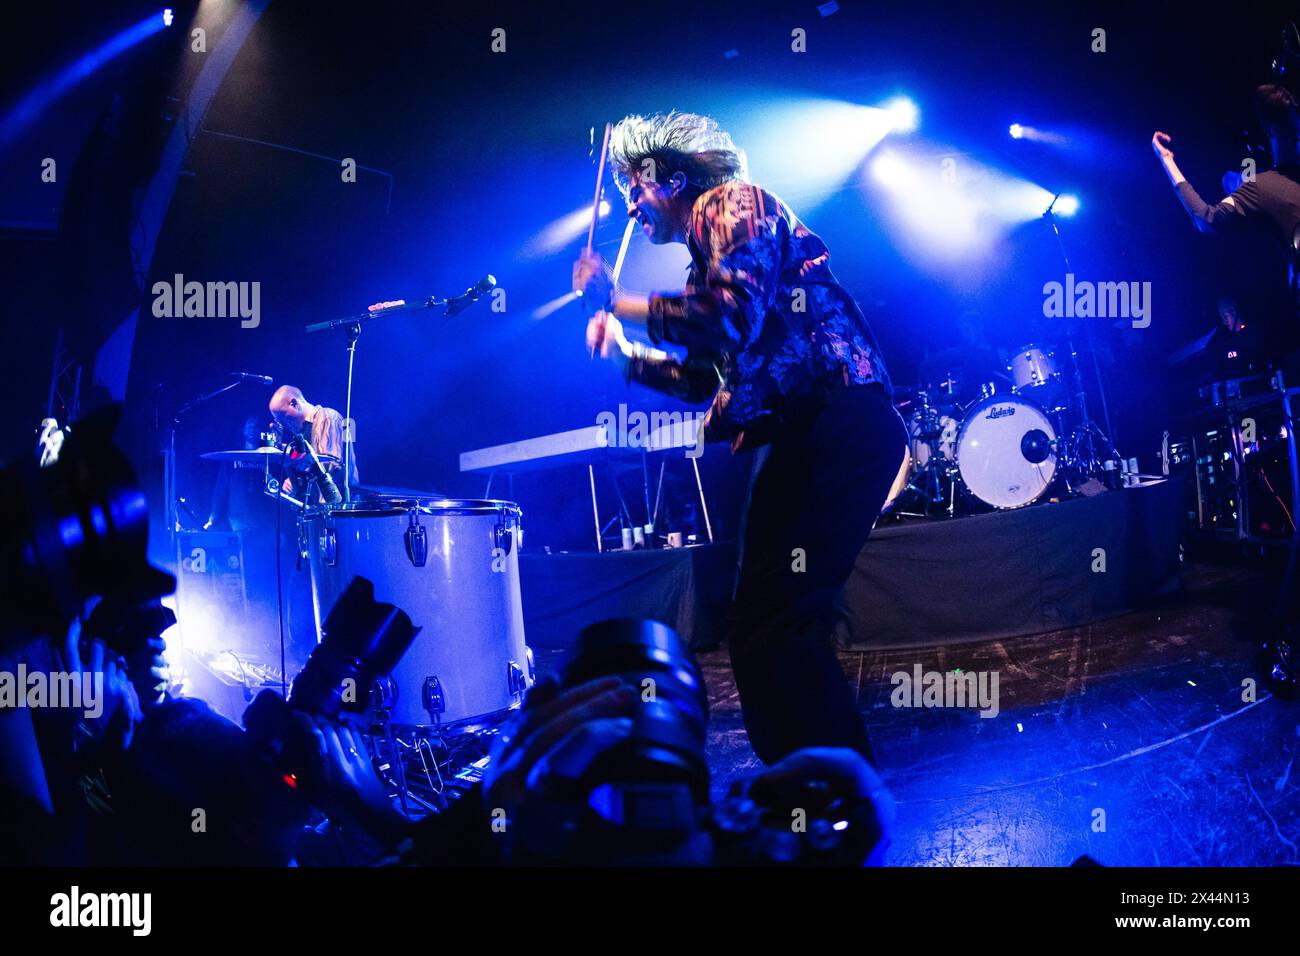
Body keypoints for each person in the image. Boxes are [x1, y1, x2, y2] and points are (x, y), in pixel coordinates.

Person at [574, 112, 907, 765]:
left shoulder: (734, 204)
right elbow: (703, 379)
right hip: (802, 432)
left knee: (783, 623)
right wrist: (622, 356)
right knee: (760, 629)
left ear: (669, 178)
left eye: (634, 194)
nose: (631, 212)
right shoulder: (703, 265)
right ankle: (803, 790)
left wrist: (620, 302)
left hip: (833, 420)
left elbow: (728, 316)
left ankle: (836, 800)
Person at [268, 384, 358, 498]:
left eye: (283, 417)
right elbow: (300, 458)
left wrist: (299, 465)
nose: (284, 423)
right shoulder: (302, 433)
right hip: (318, 508)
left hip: (341, 506)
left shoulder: (327, 416)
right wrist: (281, 449)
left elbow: (330, 464)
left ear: (294, 403)